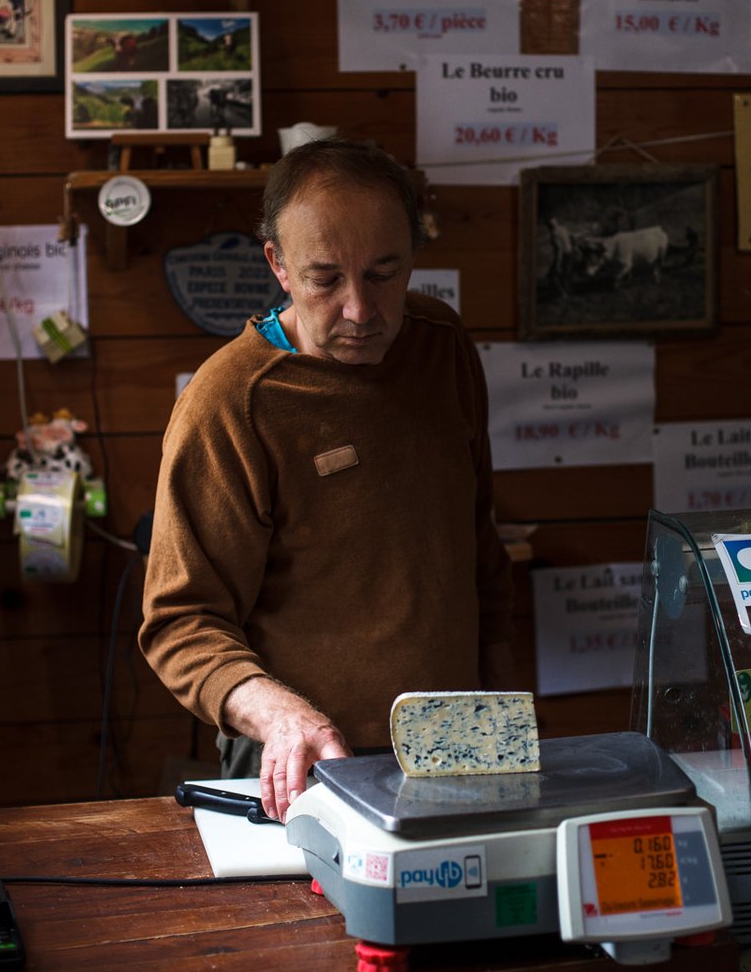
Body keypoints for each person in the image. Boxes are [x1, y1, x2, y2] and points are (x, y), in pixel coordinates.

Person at [139, 138, 514, 822]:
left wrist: (505, 709)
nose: (360, 310)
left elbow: (477, 545)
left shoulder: (443, 344)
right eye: (325, 279)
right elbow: (180, 623)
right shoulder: (230, 402)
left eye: (383, 273)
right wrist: (280, 715)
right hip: (308, 754)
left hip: (463, 733)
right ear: (277, 265)